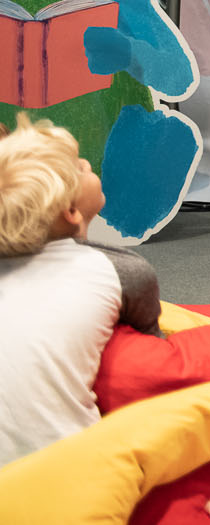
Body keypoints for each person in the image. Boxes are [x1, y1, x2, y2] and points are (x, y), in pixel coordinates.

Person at [0, 119, 161, 465]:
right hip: (68, 465)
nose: (88, 164)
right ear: (71, 212)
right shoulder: (122, 269)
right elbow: (155, 352)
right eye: (79, 166)